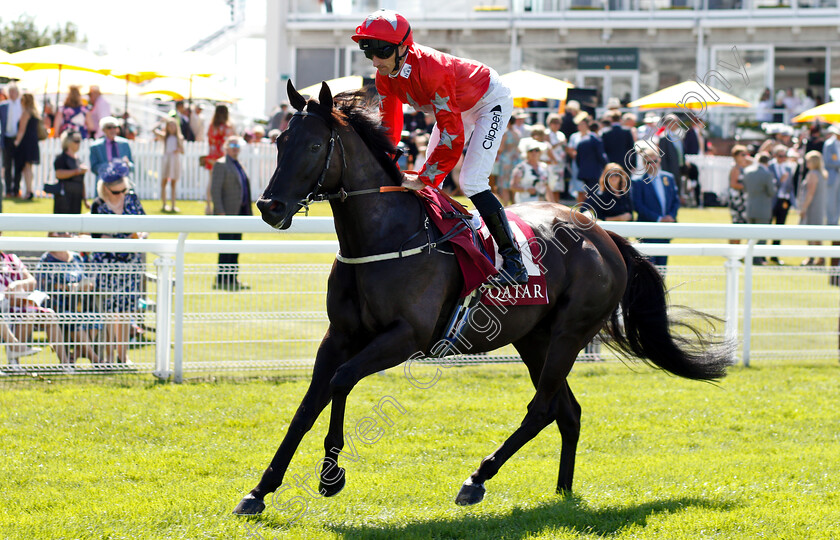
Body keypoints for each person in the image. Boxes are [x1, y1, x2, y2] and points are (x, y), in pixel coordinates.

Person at [352, 8, 527, 286]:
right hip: (457, 107)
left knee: (471, 181)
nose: (375, 61)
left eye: (381, 51)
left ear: (402, 48)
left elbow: (452, 135)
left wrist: (423, 178)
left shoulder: (433, 69)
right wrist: (383, 161)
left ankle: (514, 259)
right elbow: (389, 126)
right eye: (367, 51)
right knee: (430, 182)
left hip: (489, 100)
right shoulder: (384, 76)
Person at [89, 161, 147, 364]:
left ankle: (123, 356)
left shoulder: (132, 199)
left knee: (125, 313)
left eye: (124, 190)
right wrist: (124, 239)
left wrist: (138, 236)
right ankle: (106, 357)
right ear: (105, 190)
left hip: (130, 263)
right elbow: (98, 237)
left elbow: (144, 225)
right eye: (116, 192)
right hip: (107, 265)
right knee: (108, 313)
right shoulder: (98, 205)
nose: (121, 195)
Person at [1, 242, 70, 368]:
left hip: (23, 303)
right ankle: (14, 359)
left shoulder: (12, 259)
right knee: (28, 313)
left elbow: (32, 281)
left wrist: (18, 284)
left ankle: (65, 364)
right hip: (4, 306)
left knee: (49, 315)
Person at [36, 232, 101, 364]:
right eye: (58, 234)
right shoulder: (46, 260)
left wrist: (86, 285)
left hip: (80, 302)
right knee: (73, 320)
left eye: (65, 233)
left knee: (95, 318)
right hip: (57, 304)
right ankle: (95, 359)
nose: (64, 236)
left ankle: (74, 356)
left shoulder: (76, 257)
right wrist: (67, 287)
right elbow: (43, 284)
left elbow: (86, 277)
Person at [211, 136, 252, 291]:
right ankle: (223, 278)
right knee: (226, 248)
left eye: (237, 145)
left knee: (235, 248)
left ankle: (233, 278)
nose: (235, 148)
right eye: (232, 145)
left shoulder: (238, 165)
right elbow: (215, 191)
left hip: (239, 214)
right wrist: (220, 212)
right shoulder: (221, 165)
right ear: (226, 147)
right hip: (226, 214)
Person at [631, 147, 680, 268]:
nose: (653, 164)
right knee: (649, 269)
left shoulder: (668, 178)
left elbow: (675, 200)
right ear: (643, 164)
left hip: (666, 230)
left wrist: (670, 216)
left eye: (655, 161)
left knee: (663, 267)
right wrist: (658, 218)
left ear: (659, 161)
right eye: (649, 162)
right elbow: (638, 205)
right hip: (647, 231)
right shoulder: (638, 181)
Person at [741, 152, 776, 265]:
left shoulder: (748, 171)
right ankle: (758, 258)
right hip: (763, 208)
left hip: (750, 206)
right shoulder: (766, 174)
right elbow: (771, 192)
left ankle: (750, 256)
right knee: (761, 234)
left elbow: (745, 189)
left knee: (750, 234)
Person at [205, 104, 235, 215]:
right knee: (221, 184)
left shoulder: (211, 126)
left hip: (211, 156)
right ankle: (219, 206)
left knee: (211, 182)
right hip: (221, 157)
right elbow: (227, 143)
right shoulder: (226, 127)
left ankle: (208, 206)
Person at [798, 150, 828, 266]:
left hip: (812, 207)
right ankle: (819, 257)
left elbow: (810, 193)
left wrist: (803, 208)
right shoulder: (821, 174)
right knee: (817, 234)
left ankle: (812, 258)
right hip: (818, 206)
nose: (807, 163)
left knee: (811, 233)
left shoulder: (813, 174)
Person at [12, 93, 41, 201]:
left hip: (26, 143)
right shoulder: (35, 113)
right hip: (32, 142)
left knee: (26, 167)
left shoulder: (26, 113)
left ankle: (29, 191)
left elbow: (21, 130)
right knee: (29, 167)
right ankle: (29, 190)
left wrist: (16, 142)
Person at [53, 130, 90, 214]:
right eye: (76, 141)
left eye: (79, 141)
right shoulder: (61, 158)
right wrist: (77, 171)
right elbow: (59, 174)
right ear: (68, 142)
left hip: (77, 197)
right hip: (64, 197)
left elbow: (81, 181)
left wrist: (85, 199)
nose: (79, 144)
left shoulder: (78, 160)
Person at [573, 112, 607, 203]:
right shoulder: (596, 139)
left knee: (590, 193)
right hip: (594, 172)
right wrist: (607, 166)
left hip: (584, 172)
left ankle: (585, 211)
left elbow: (578, 159)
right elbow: (601, 156)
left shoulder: (582, 140)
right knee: (593, 194)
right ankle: (584, 210)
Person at [89, 116, 134, 182]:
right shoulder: (96, 146)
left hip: (122, 182)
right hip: (105, 182)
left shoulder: (124, 144)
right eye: (109, 127)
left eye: (115, 127)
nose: (113, 130)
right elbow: (94, 168)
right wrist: (110, 165)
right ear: (103, 129)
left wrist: (127, 164)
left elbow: (132, 167)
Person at [153, 118, 184, 212]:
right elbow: (153, 130)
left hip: (174, 160)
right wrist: (161, 122)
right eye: (170, 125)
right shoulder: (165, 137)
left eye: (173, 125)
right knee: (164, 182)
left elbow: (182, 150)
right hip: (166, 160)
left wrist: (177, 150)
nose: (172, 127)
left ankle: (173, 205)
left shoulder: (179, 138)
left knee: (173, 183)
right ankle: (164, 204)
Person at [0, 83, 22, 200]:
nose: (13, 94)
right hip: (7, 138)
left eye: (15, 91)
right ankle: (8, 190)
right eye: (11, 92)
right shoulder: (3, 106)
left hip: (18, 138)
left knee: (18, 165)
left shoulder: (22, 106)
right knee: (7, 165)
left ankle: (16, 189)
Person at [728, 145, 751, 244]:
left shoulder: (745, 167)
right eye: (743, 154)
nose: (745, 156)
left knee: (743, 225)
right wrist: (747, 186)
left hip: (744, 200)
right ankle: (733, 250)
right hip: (737, 200)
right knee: (737, 225)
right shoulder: (736, 168)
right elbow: (733, 184)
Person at [822, 124, 840, 226]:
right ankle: (830, 224)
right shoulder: (829, 144)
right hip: (833, 176)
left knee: (838, 202)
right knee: (831, 202)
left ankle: (836, 223)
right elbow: (827, 161)